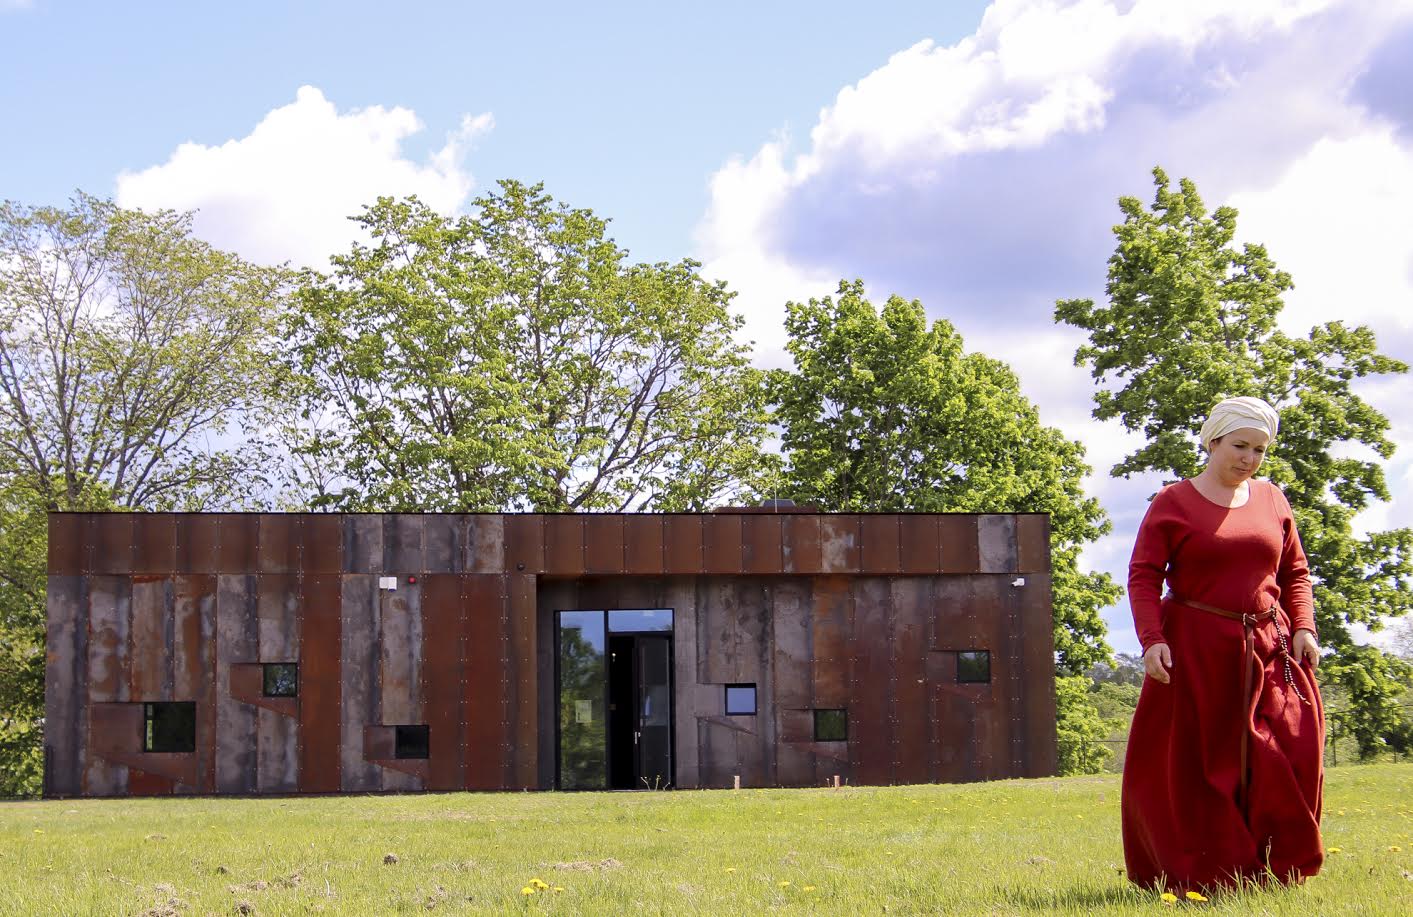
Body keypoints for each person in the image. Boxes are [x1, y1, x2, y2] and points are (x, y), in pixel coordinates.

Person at [1121, 396, 1325, 894]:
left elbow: (1295, 572)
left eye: (1259, 450)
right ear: (1213, 440)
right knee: (1204, 764)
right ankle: (1213, 872)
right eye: (1240, 446)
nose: (1249, 459)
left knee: (1292, 750)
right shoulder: (1173, 502)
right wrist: (1152, 640)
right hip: (1196, 648)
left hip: (1268, 646)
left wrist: (1303, 627)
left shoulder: (1273, 499)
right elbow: (1144, 575)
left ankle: (1281, 864)